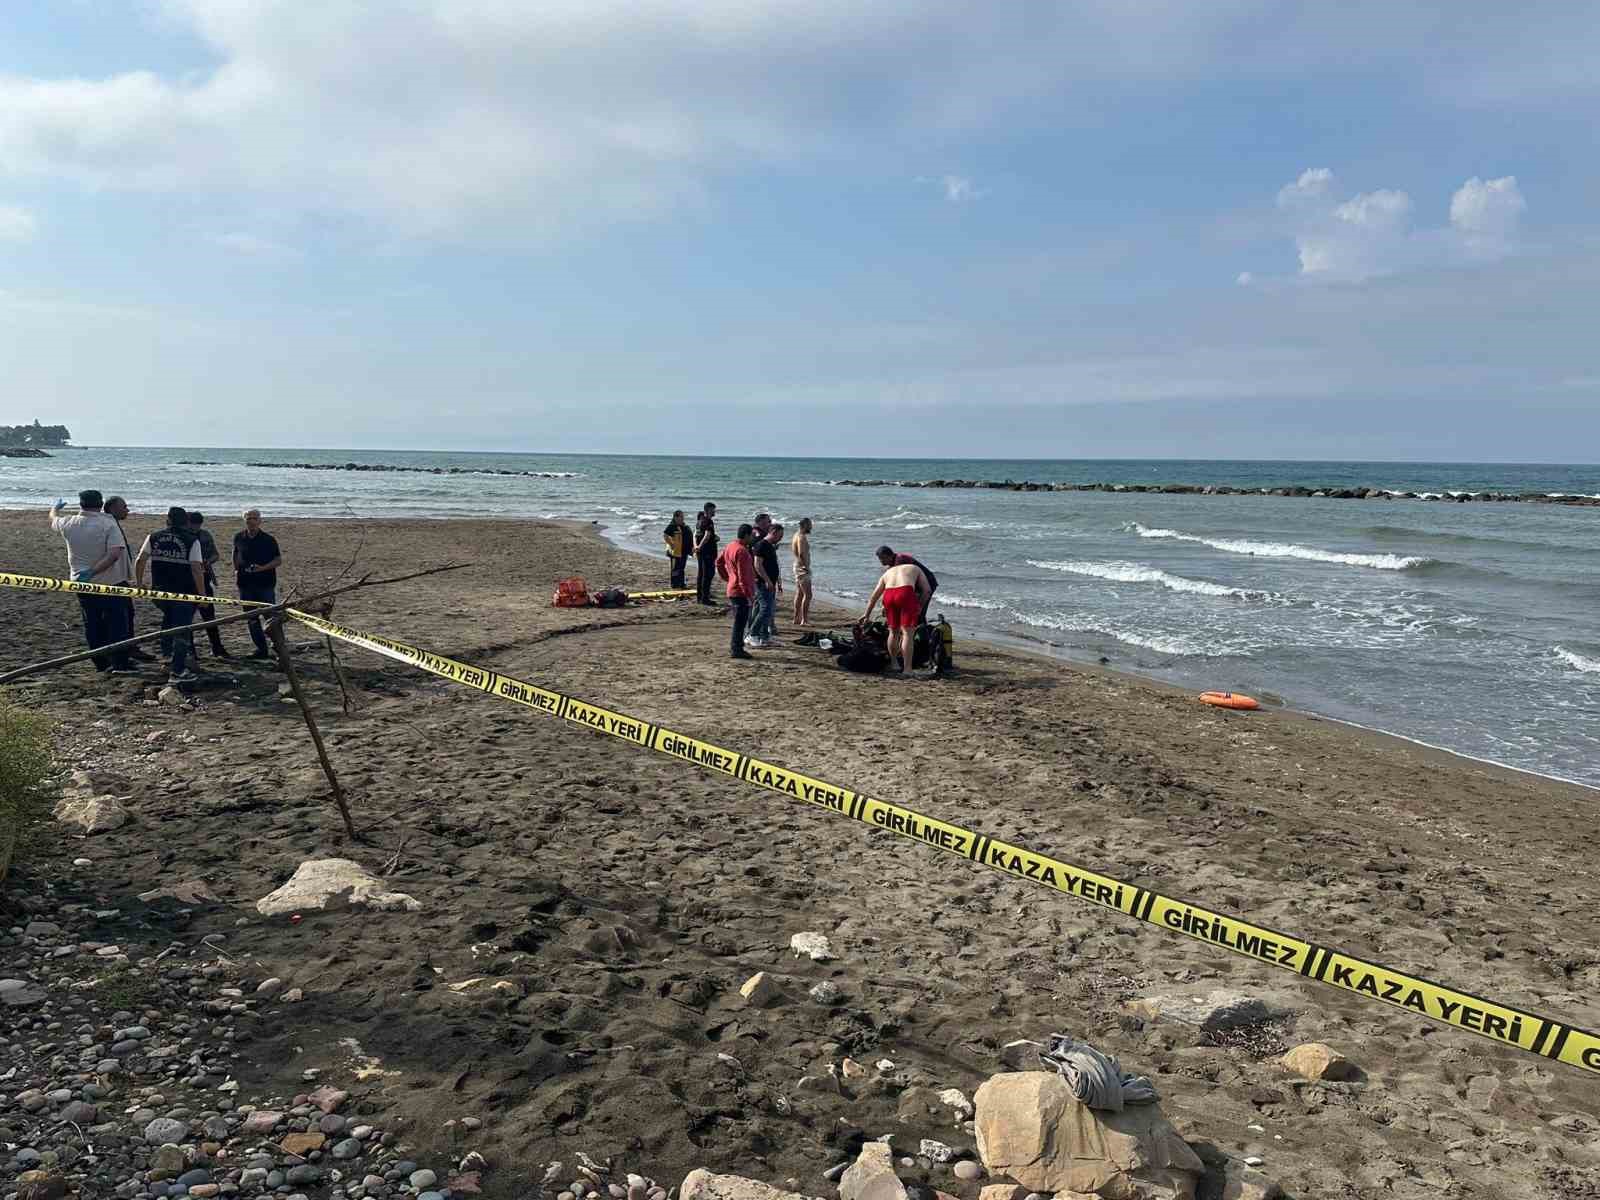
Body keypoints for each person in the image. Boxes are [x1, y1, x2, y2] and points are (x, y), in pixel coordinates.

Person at [48, 490, 135, 674]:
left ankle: (101, 663)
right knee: (117, 623)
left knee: (93, 623)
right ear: (100, 503)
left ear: (81, 504)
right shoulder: (108, 523)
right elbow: (114, 554)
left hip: (81, 583)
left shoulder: (69, 523)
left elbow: (53, 519)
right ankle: (119, 662)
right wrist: (94, 571)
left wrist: (55, 508)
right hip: (110, 582)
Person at [134, 506, 205, 680]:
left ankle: (167, 659)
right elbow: (197, 569)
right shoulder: (191, 540)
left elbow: (140, 560)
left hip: (159, 592)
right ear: (186, 522)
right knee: (181, 630)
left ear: (168, 520)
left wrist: (139, 583)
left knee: (168, 623)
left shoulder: (154, 537)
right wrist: (202, 595)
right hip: (184, 592)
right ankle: (178, 668)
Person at [859, 556, 932, 676]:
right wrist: (920, 606)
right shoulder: (914, 567)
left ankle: (894, 664)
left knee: (893, 632)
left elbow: (874, 596)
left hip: (889, 595)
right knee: (907, 633)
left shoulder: (888, 572)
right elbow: (927, 590)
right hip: (905, 593)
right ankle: (907, 669)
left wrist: (866, 614)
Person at [105, 496, 158, 663]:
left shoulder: (112, 524)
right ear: (112, 508)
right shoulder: (107, 525)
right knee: (119, 617)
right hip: (111, 579)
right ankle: (122, 653)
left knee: (128, 613)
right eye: (124, 507)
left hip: (120, 577)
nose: (127, 510)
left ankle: (130, 647)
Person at [233, 509, 283, 659]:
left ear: (260, 521)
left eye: (254, 518)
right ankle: (261, 649)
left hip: (265, 584)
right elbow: (235, 554)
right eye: (248, 519)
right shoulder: (239, 537)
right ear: (245, 520)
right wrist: (236, 570)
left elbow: (278, 560)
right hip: (245, 584)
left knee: (271, 618)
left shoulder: (268, 539)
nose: (251, 521)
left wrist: (262, 568)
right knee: (251, 619)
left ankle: (280, 650)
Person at [187, 511, 230, 658]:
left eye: (197, 525)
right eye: (193, 525)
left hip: (205, 579)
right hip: (187, 581)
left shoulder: (205, 535)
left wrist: (208, 562)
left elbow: (216, 555)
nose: (195, 528)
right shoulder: (184, 537)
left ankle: (217, 647)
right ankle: (190, 651)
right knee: (187, 619)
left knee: (209, 617)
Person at [716, 523, 757, 660]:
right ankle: (736, 649)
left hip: (734, 588)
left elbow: (719, 562)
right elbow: (743, 577)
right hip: (740, 592)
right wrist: (749, 595)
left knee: (739, 620)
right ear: (746, 535)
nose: (753, 538)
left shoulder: (730, 546)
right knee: (740, 622)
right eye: (752, 535)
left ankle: (737, 647)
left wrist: (727, 577)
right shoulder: (742, 551)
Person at [875, 544, 939, 623]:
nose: (881, 561)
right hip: (916, 585)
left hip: (928, 583)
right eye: (880, 559)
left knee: (919, 611)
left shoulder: (900, 559)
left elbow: (894, 585)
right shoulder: (892, 565)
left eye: (883, 558)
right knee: (909, 610)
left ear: (890, 556)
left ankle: (922, 632)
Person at [747, 523, 783, 648]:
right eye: (780, 535)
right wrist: (767, 580)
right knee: (766, 609)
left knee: (764, 609)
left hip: (769, 583)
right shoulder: (761, 545)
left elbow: (773, 564)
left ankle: (764, 637)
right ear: (773, 532)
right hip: (763, 583)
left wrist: (777, 580)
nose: (781, 538)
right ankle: (752, 634)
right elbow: (757, 565)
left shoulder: (769, 546)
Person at [693, 502, 719, 605]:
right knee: (708, 575)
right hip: (707, 551)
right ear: (708, 510)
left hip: (700, 552)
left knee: (701, 574)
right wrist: (700, 546)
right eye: (713, 510)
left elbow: (695, 534)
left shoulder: (699, 521)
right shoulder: (708, 521)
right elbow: (707, 535)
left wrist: (696, 546)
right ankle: (705, 598)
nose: (714, 511)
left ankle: (700, 597)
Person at [791, 517, 814, 627]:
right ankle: (804, 620)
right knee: (808, 595)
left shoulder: (796, 535)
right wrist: (806, 567)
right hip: (802, 569)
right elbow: (801, 553)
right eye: (810, 525)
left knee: (800, 593)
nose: (811, 527)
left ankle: (796, 618)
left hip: (798, 566)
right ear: (804, 525)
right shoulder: (801, 537)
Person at [662, 510, 691, 590]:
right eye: (681, 517)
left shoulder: (683, 526)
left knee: (682, 568)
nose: (683, 518)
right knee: (675, 568)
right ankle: (674, 584)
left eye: (683, 517)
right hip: (675, 552)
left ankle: (681, 583)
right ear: (675, 517)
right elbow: (665, 535)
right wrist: (672, 544)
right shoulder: (672, 526)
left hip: (683, 551)